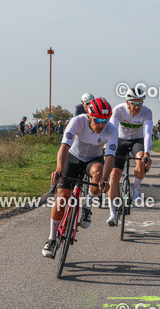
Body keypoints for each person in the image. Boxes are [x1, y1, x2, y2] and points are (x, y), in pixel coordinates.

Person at [42, 98, 117, 257]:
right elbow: (64, 147)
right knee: (62, 197)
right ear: (89, 116)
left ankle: (87, 207)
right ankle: (51, 239)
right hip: (73, 158)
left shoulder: (111, 130)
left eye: (105, 121)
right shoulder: (77, 121)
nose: (101, 125)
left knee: (99, 173)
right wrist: (59, 170)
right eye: (98, 120)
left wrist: (105, 180)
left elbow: (110, 157)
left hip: (93, 160)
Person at [105, 85, 154, 225]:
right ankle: (112, 213)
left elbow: (147, 133)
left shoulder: (146, 112)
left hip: (137, 140)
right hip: (120, 139)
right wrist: (108, 147)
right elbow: (112, 130)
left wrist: (147, 153)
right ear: (127, 102)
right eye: (134, 103)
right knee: (114, 176)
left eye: (140, 103)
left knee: (141, 162)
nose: (137, 107)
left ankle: (136, 188)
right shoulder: (118, 110)